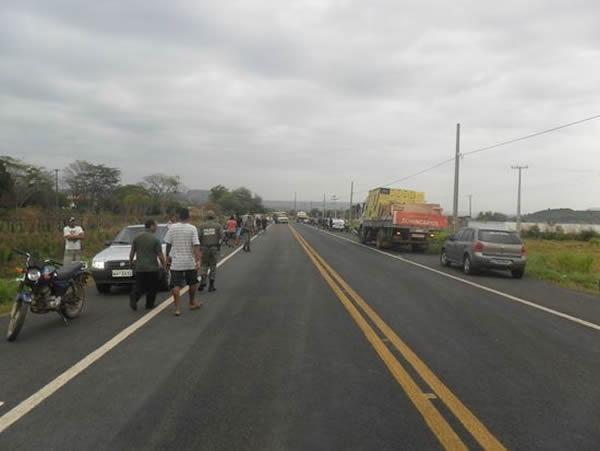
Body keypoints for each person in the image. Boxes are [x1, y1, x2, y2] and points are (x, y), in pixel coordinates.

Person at [164, 208, 202, 316]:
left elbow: (168, 244)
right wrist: (197, 260)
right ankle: (192, 302)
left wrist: (167, 259)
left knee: (176, 285)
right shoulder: (192, 228)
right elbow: (196, 245)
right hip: (189, 261)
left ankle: (177, 309)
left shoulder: (172, 228)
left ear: (178, 217)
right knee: (193, 282)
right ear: (189, 217)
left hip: (176, 262)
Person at [129, 219, 166, 311]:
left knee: (140, 285)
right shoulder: (155, 240)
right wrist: (164, 266)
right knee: (152, 287)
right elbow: (160, 255)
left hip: (140, 267)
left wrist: (130, 262)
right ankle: (149, 304)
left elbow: (132, 252)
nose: (156, 228)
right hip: (152, 268)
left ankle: (134, 297)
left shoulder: (137, 238)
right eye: (155, 226)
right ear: (151, 226)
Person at [198, 210, 222, 292]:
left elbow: (198, 236)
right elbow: (222, 236)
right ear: (214, 217)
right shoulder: (218, 226)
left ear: (206, 217)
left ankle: (203, 281)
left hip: (204, 248)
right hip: (214, 248)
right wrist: (219, 245)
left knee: (204, 265)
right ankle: (211, 286)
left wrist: (200, 246)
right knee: (213, 266)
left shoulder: (201, 226)